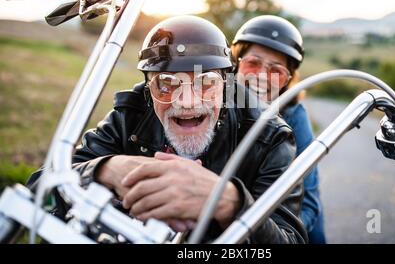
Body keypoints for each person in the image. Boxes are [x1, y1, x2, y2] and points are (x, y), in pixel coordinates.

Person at [27, 15, 307, 243]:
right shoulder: (131, 114)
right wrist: (104, 169)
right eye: (165, 83)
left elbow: (289, 239)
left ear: (226, 83)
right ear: (149, 89)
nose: (186, 101)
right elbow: (39, 189)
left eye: (205, 82)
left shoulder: (270, 136)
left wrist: (230, 202)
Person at [232, 15, 327, 244]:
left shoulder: (294, 116)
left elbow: (308, 203)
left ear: (287, 80)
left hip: (280, 221)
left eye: (276, 71)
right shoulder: (214, 103)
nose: (262, 77)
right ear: (236, 63)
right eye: (252, 64)